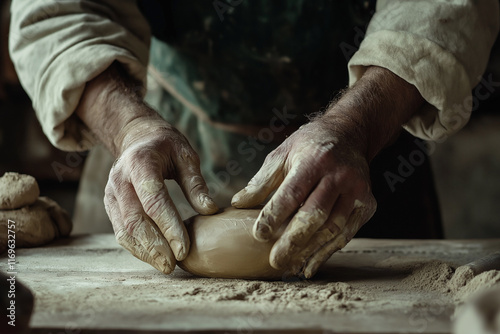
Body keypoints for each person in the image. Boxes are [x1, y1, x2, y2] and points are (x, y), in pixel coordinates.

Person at [8, 0, 499, 278]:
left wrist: (352, 128)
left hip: (365, 139)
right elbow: (57, 14)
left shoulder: (361, 133)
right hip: (162, 141)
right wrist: (129, 127)